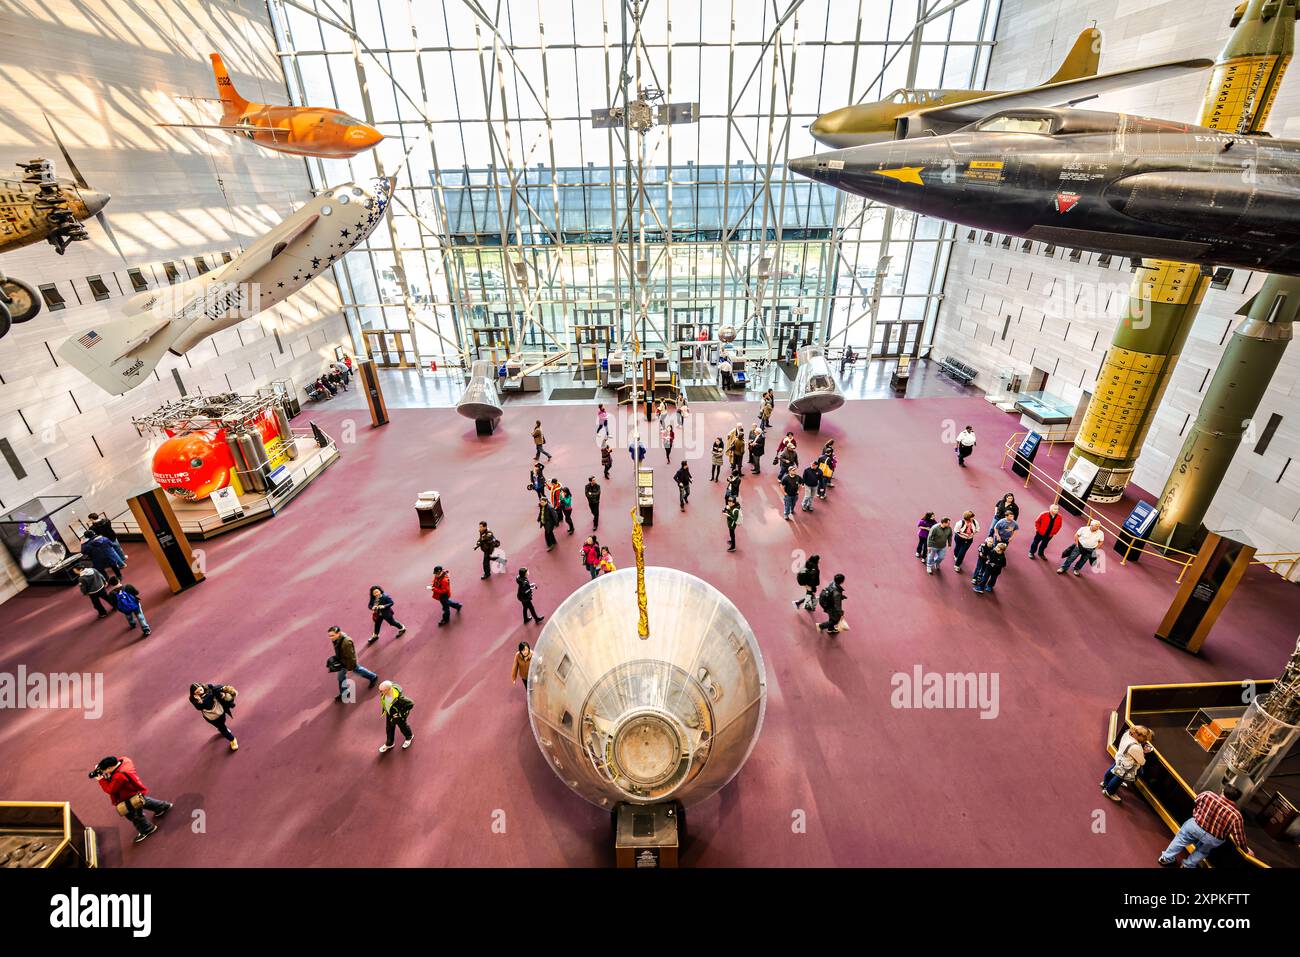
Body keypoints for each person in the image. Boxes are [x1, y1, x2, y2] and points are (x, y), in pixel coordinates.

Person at [1158, 784, 1251, 868]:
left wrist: (1197, 814)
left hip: (1195, 826)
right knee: (1202, 851)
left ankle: (1166, 858)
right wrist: (1246, 850)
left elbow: (1195, 802)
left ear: (1223, 791)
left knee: (1180, 840)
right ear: (1236, 800)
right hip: (1212, 839)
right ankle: (1187, 866)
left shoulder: (1208, 794)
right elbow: (1239, 836)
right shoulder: (1236, 815)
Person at [90, 755, 173, 844]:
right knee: (143, 801)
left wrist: (101, 780)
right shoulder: (124, 761)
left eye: (105, 770)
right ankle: (162, 807)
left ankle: (147, 829)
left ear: (110, 767)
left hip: (127, 797)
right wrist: (102, 767)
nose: (103, 772)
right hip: (134, 791)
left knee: (133, 814)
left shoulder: (119, 776)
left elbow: (110, 789)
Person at [1101, 725, 1154, 802]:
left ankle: (1105, 783)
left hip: (1120, 757)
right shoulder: (1136, 748)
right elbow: (1142, 762)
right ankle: (1109, 792)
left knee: (1113, 769)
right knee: (1119, 778)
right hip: (1127, 765)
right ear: (1138, 736)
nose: (1145, 740)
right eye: (1145, 738)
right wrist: (1144, 752)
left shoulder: (1127, 733)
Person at [328, 626, 378, 701]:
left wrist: (350, 667)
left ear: (338, 633)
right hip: (342, 661)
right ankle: (344, 693)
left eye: (332, 635)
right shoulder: (336, 639)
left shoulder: (346, 642)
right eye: (329, 636)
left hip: (348, 662)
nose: (330, 637)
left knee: (357, 670)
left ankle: (373, 677)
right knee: (340, 678)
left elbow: (351, 657)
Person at [189, 682, 239, 751]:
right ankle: (232, 740)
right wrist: (211, 694)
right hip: (211, 717)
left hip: (220, 711)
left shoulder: (208, 689)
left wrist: (222, 691)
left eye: (200, 689)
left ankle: (222, 728)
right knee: (222, 728)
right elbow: (200, 706)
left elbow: (217, 688)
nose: (200, 692)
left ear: (202, 687)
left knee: (223, 722)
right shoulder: (194, 699)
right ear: (194, 694)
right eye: (197, 692)